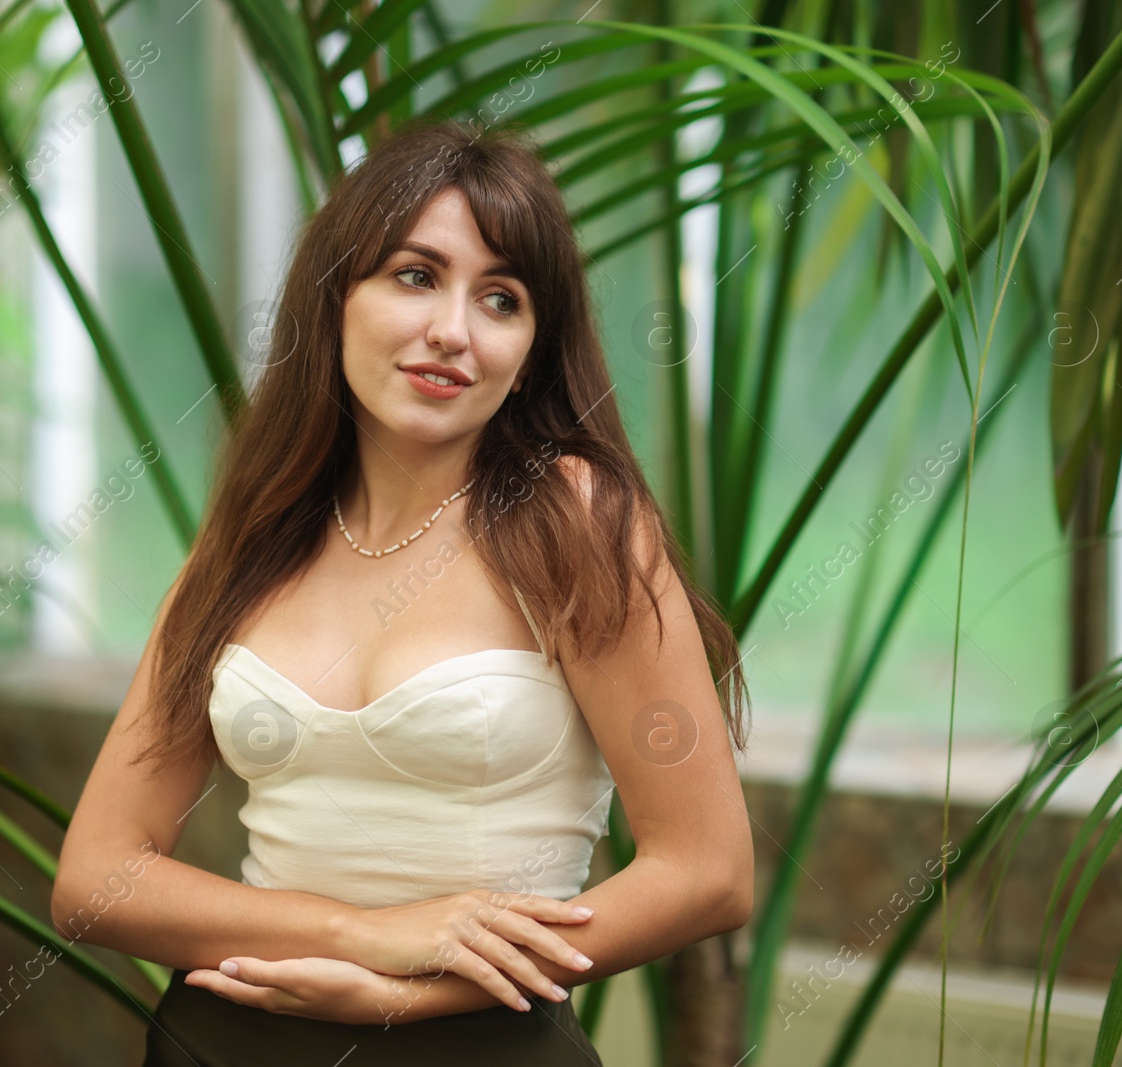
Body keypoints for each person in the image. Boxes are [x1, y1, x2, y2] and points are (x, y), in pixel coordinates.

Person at [52, 117, 755, 1066]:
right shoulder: (253, 534)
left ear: (532, 350)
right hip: (222, 1037)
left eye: (500, 299)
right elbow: (96, 878)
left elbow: (708, 870)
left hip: (481, 1046)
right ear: (338, 295)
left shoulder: (575, 523)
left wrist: (407, 996)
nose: (451, 331)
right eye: (416, 275)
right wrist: (357, 933)